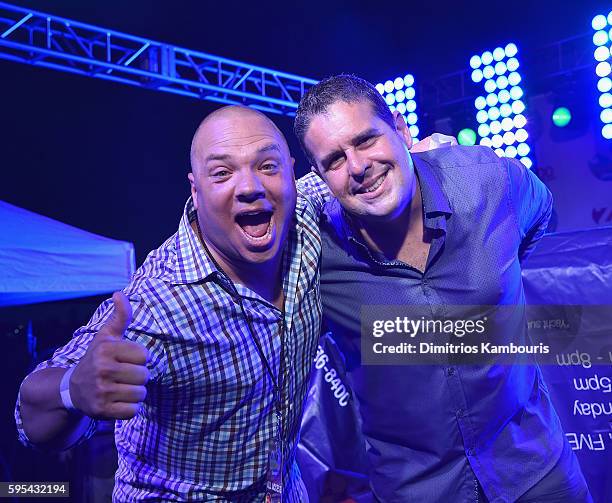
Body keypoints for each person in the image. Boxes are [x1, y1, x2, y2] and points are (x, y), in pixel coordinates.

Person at [294, 75, 593, 502]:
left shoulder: (487, 181)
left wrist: (499, 284)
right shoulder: (318, 253)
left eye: (366, 140)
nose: (358, 166)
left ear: (400, 129)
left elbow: (543, 216)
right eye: (335, 160)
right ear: (319, 177)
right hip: (419, 490)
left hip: (537, 471)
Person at [15, 106, 322, 502]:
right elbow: (30, 418)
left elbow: (360, 170)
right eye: (223, 173)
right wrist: (72, 390)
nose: (249, 186)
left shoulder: (305, 221)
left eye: (267, 165)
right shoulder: (158, 300)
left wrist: (413, 147)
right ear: (195, 191)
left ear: (290, 173)